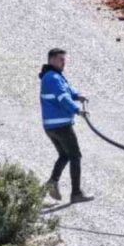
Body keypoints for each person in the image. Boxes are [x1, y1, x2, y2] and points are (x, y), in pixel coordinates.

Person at [40, 48, 93, 203]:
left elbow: (67, 92)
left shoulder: (53, 76)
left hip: (50, 127)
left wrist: (77, 96)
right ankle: (76, 193)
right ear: (51, 60)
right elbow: (63, 98)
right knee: (75, 156)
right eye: (60, 59)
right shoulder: (53, 78)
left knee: (65, 155)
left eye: (64, 59)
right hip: (61, 126)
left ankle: (52, 183)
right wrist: (77, 110)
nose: (64, 62)